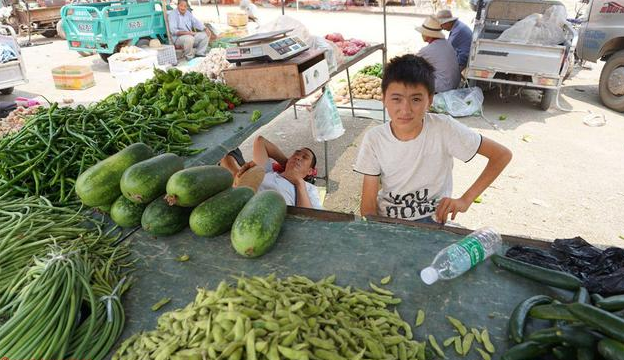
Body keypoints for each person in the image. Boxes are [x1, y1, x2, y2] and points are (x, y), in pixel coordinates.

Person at [354, 54, 512, 224]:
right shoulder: (374, 139)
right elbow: (368, 207)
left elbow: (501, 155)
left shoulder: (444, 128)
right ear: (384, 98)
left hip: (434, 221)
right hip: (388, 222)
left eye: (416, 99)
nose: (405, 109)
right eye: (396, 99)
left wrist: (465, 200)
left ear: (429, 100)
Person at [220, 137, 323, 209]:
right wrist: (287, 164)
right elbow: (261, 141)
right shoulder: (268, 172)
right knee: (227, 159)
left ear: (310, 171)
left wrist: (299, 183)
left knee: (230, 165)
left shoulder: (310, 190)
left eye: (304, 157)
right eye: (296, 153)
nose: (298, 157)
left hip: (264, 217)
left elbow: (308, 219)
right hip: (242, 199)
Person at [415, 16, 461, 93]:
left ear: (428, 34)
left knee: (412, 74)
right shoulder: (447, 43)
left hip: (444, 88)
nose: (421, 34)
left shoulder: (426, 51)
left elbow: (410, 64)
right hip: (454, 84)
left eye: (423, 32)